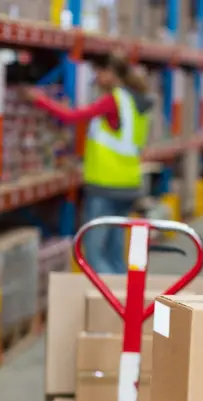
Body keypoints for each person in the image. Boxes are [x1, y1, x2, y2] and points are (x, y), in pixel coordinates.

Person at [25, 52, 153, 275]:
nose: (95, 77)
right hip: (129, 182)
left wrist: (39, 99)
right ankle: (125, 304)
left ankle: (110, 302)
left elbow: (72, 117)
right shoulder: (136, 101)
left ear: (110, 73)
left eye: (99, 72)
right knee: (114, 252)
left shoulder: (114, 100)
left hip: (106, 185)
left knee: (92, 253)